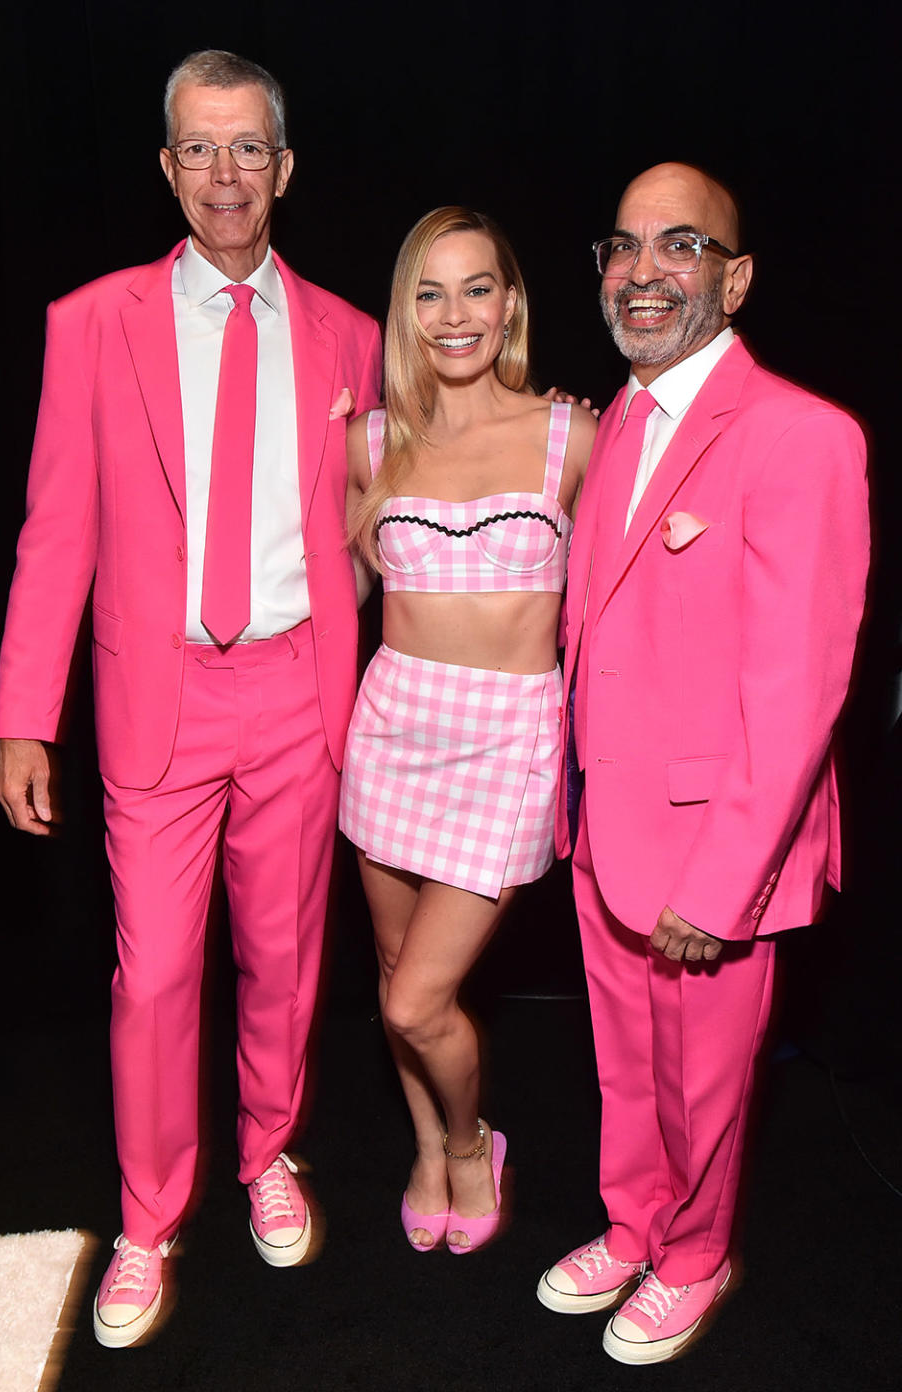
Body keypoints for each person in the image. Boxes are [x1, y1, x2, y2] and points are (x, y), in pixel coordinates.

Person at [0, 49, 381, 1347]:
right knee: (155, 976)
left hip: (295, 694)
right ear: (167, 167)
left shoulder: (351, 338)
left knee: (283, 960)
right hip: (157, 695)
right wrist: (21, 714)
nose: (225, 174)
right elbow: (56, 532)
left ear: (284, 168)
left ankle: (269, 1152)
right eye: (199, 149)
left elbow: (377, 529)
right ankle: (148, 1219)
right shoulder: (88, 321)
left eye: (248, 149)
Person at [536, 163, 869, 1363]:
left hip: (717, 845)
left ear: (734, 278)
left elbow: (799, 692)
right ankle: (636, 1227)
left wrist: (728, 882)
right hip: (606, 820)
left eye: (679, 246)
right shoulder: (618, 418)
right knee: (626, 1072)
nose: (642, 271)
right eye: (622, 247)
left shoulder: (804, 437)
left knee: (705, 1086)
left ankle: (698, 1255)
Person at [341, 207, 595, 1254]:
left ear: (511, 303)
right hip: (393, 726)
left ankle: (467, 1139)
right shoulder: (367, 438)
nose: (455, 314)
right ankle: (425, 1144)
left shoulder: (572, 434)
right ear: (407, 312)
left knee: (414, 1001)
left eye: (477, 287)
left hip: (506, 742)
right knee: (395, 974)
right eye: (430, 292)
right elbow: (325, 594)